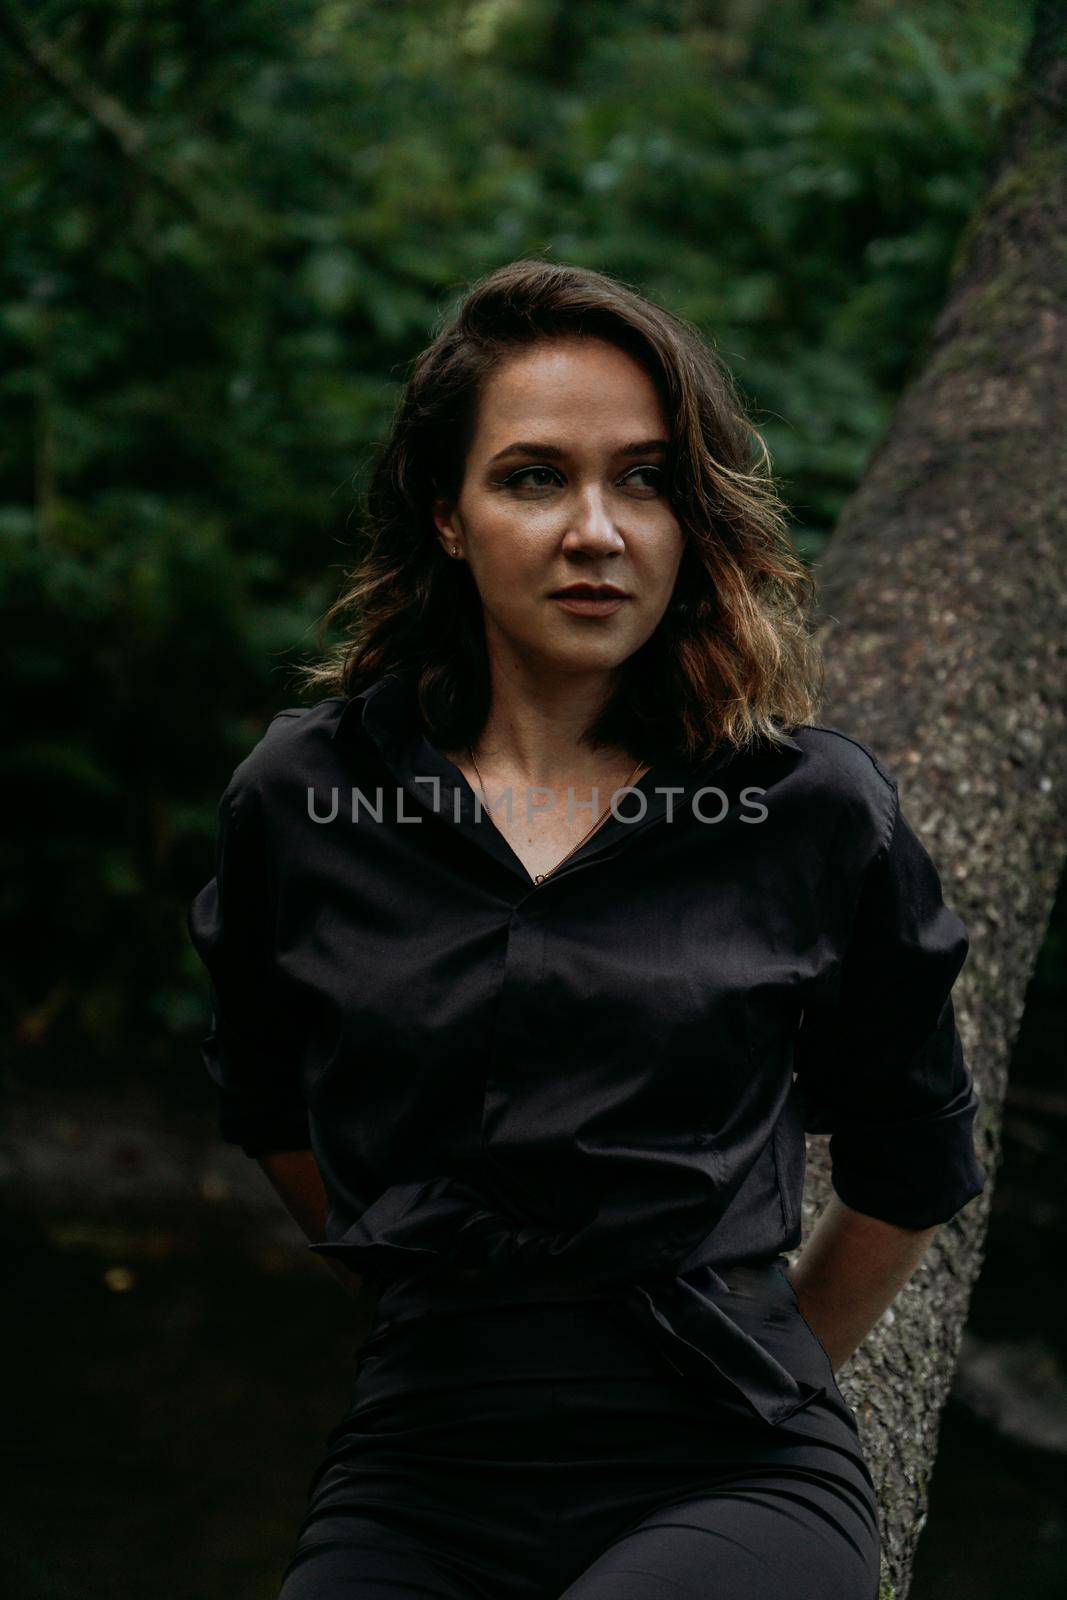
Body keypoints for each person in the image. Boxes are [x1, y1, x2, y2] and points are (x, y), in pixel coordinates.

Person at [187, 258, 987, 1600]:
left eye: (646, 479)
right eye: (534, 477)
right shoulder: (305, 798)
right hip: (421, 1463)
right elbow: (272, 1107)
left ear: (694, 516)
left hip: (730, 1460)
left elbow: (913, 1165)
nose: (598, 531)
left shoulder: (806, 810)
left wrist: (770, 1360)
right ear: (446, 514)